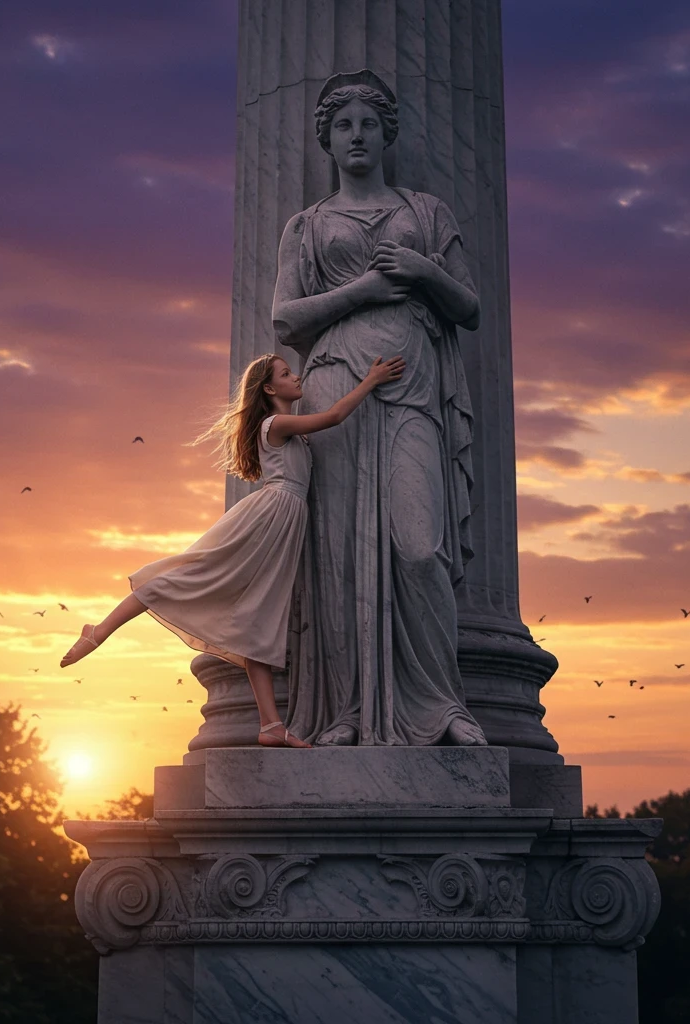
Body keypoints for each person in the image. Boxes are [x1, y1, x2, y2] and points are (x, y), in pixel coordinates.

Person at [271, 69, 488, 746]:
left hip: (415, 388)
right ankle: (347, 713)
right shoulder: (306, 227)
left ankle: (439, 706)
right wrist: (364, 290)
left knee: (418, 547)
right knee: (338, 556)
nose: (357, 136)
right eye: (343, 126)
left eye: (368, 124)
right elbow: (285, 319)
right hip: (337, 384)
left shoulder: (426, 213)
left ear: (386, 134)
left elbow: (471, 307)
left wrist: (424, 272)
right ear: (327, 141)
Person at [58, 351, 405, 749]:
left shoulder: (286, 427)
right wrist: (370, 380)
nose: (297, 378)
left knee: (259, 617)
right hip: (269, 515)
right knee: (196, 575)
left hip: (285, 521)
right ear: (270, 389)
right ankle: (99, 630)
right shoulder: (275, 423)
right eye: (287, 374)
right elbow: (333, 417)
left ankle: (270, 725)